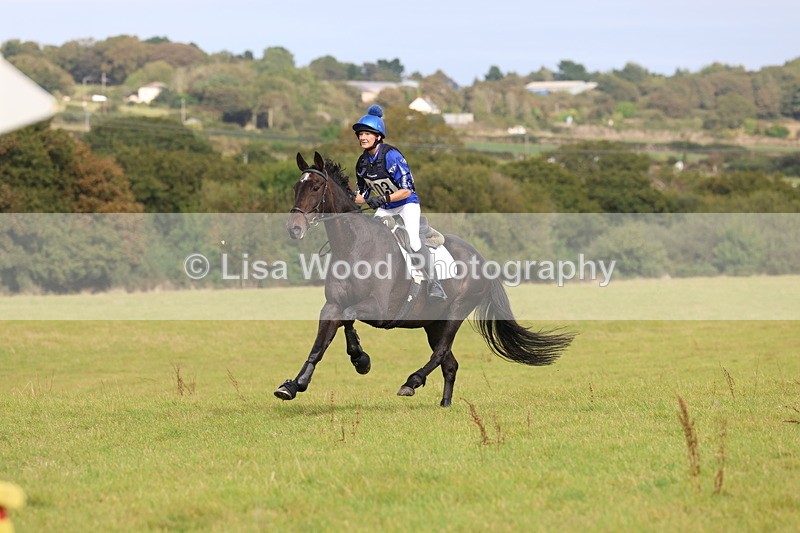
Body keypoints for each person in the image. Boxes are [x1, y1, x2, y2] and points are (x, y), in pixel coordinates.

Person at [351, 105, 447, 302]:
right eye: (360, 134)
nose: (362, 137)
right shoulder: (362, 163)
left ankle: (434, 283)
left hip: (406, 205)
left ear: (378, 136)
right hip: (385, 209)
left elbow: (407, 190)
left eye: (367, 134)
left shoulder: (391, 156)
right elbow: (362, 196)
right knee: (370, 239)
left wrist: (383, 199)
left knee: (412, 241)